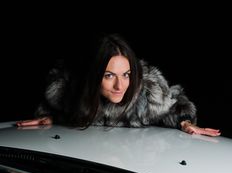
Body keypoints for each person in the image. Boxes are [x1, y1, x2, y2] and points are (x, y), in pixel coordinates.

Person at [16, 33, 220, 136]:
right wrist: (49, 118)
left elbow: (175, 104)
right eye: (109, 76)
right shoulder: (69, 94)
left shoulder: (148, 94)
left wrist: (185, 122)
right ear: (93, 77)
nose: (120, 85)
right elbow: (57, 107)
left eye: (126, 74)